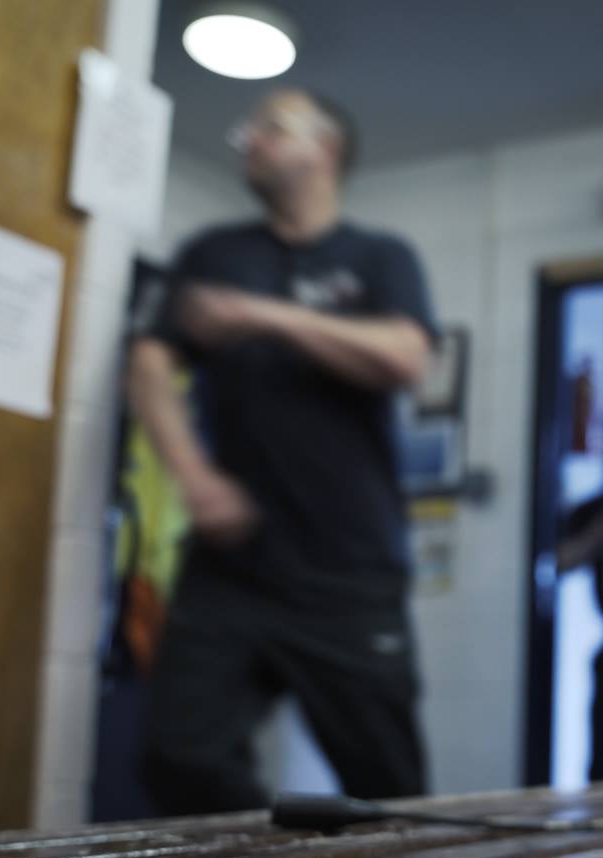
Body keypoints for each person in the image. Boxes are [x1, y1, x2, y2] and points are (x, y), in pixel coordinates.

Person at [127, 89, 436, 813]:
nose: (249, 139)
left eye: (272, 128)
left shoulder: (379, 258)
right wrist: (195, 479)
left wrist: (258, 314)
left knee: (389, 790)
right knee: (179, 758)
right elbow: (146, 366)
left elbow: (404, 358)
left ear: (324, 151)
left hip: (349, 569)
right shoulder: (214, 255)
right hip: (231, 570)